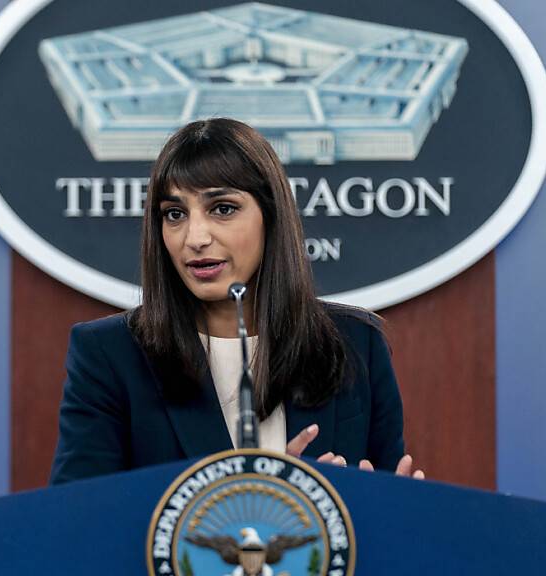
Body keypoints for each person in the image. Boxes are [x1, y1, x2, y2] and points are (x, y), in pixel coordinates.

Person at [50, 118, 424, 485]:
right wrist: (263, 499)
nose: (194, 237)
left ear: (271, 215)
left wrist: (389, 508)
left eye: (222, 208)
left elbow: (384, 513)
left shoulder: (356, 344)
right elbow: (78, 520)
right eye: (175, 214)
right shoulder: (109, 354)